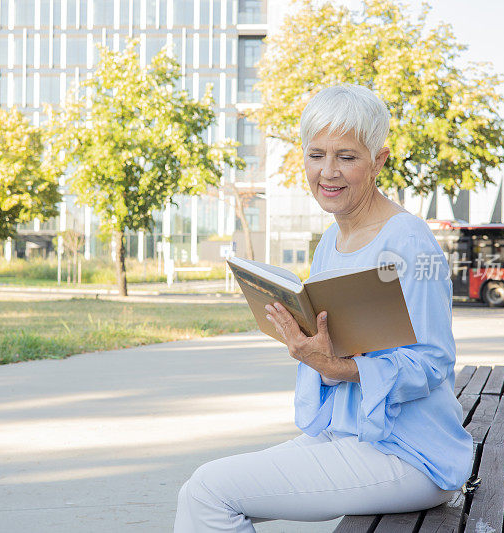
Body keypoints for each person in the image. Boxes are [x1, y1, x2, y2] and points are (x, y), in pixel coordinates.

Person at [173, 84, 474, 532]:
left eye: (347, 157)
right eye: (316, 155)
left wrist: (340, 368)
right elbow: (340, 346)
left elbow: (433, 363)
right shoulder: (331, 241)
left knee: (209, 492)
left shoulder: (410, 240)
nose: (327, 172)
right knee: (199, 492)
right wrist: (309, 346)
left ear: (379, 160)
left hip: (410, 454)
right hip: (351, 436)